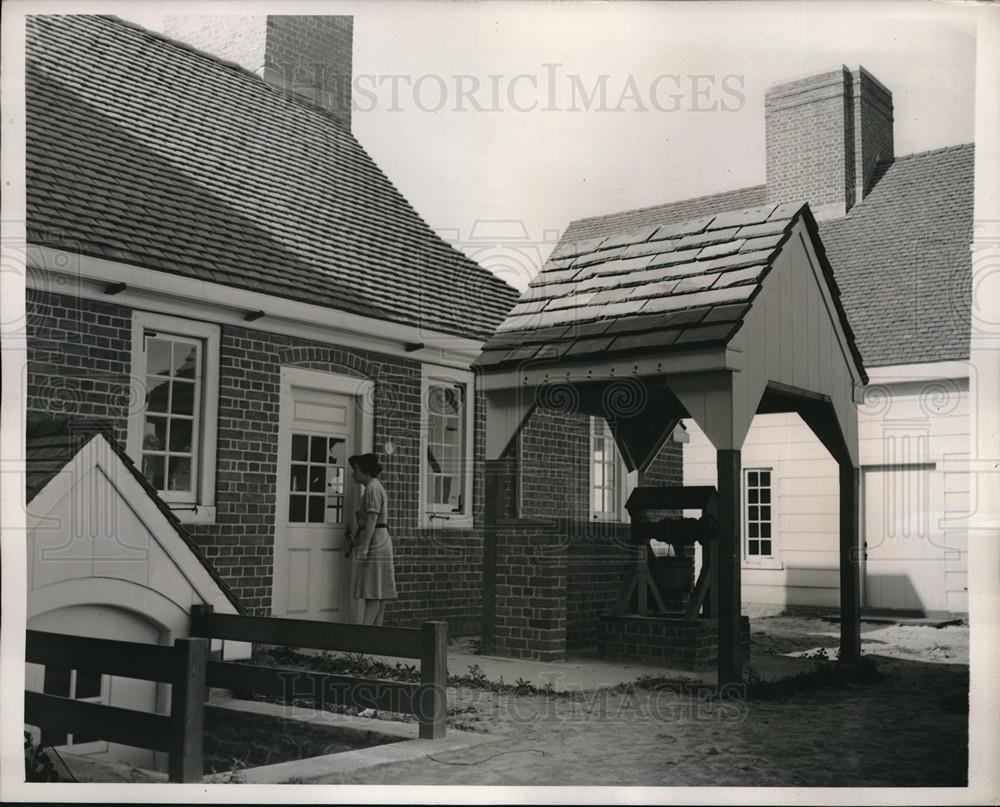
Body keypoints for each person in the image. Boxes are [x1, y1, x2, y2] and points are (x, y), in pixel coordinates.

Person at [347, 453, 397, 625]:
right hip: (380, 540)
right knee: (380, 592)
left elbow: (372, 518)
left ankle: (364, 637)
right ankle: (377, 636)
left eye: (356, 470)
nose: (353, 474)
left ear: (365, 471)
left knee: (373, 592)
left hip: (375, 541)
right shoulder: (373, 487)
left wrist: (365, 546)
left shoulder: (372, 489)